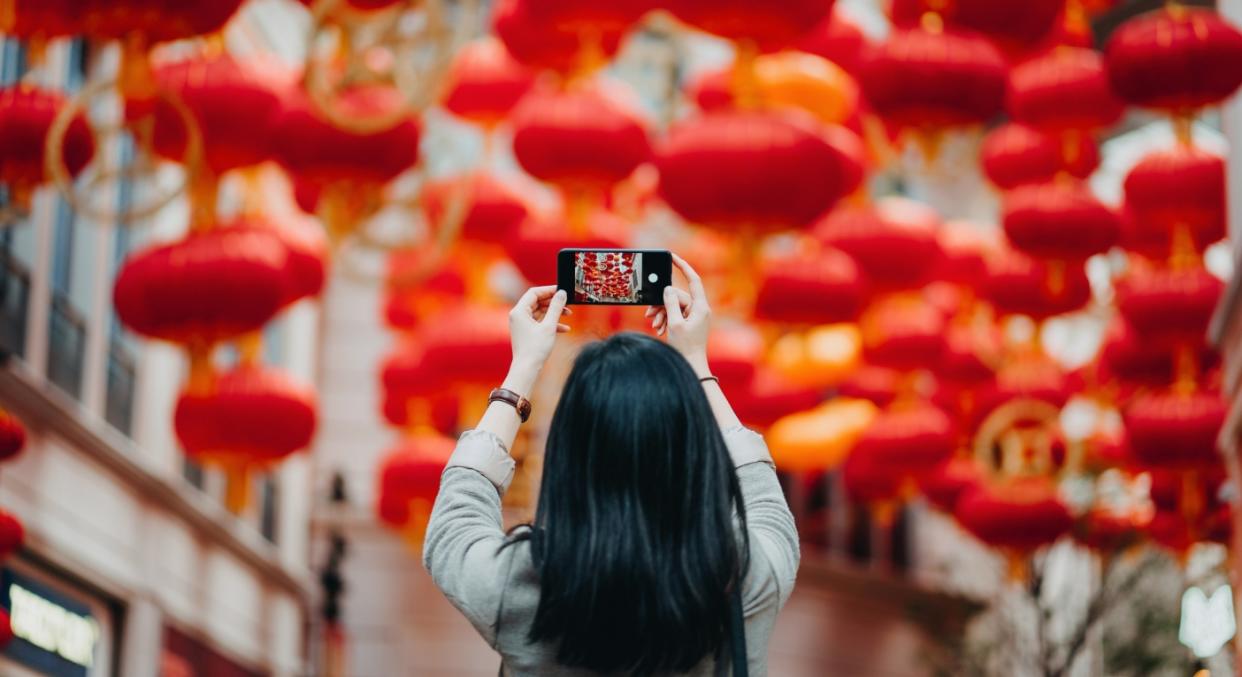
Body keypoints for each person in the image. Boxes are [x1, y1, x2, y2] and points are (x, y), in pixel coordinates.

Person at [424, 254, 799, 676]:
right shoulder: (744, 576)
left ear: (569, 453)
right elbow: (758, 488)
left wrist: (522, 369)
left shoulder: (521, 586)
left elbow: (457, 513)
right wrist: (697, 365)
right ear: (692, 448)